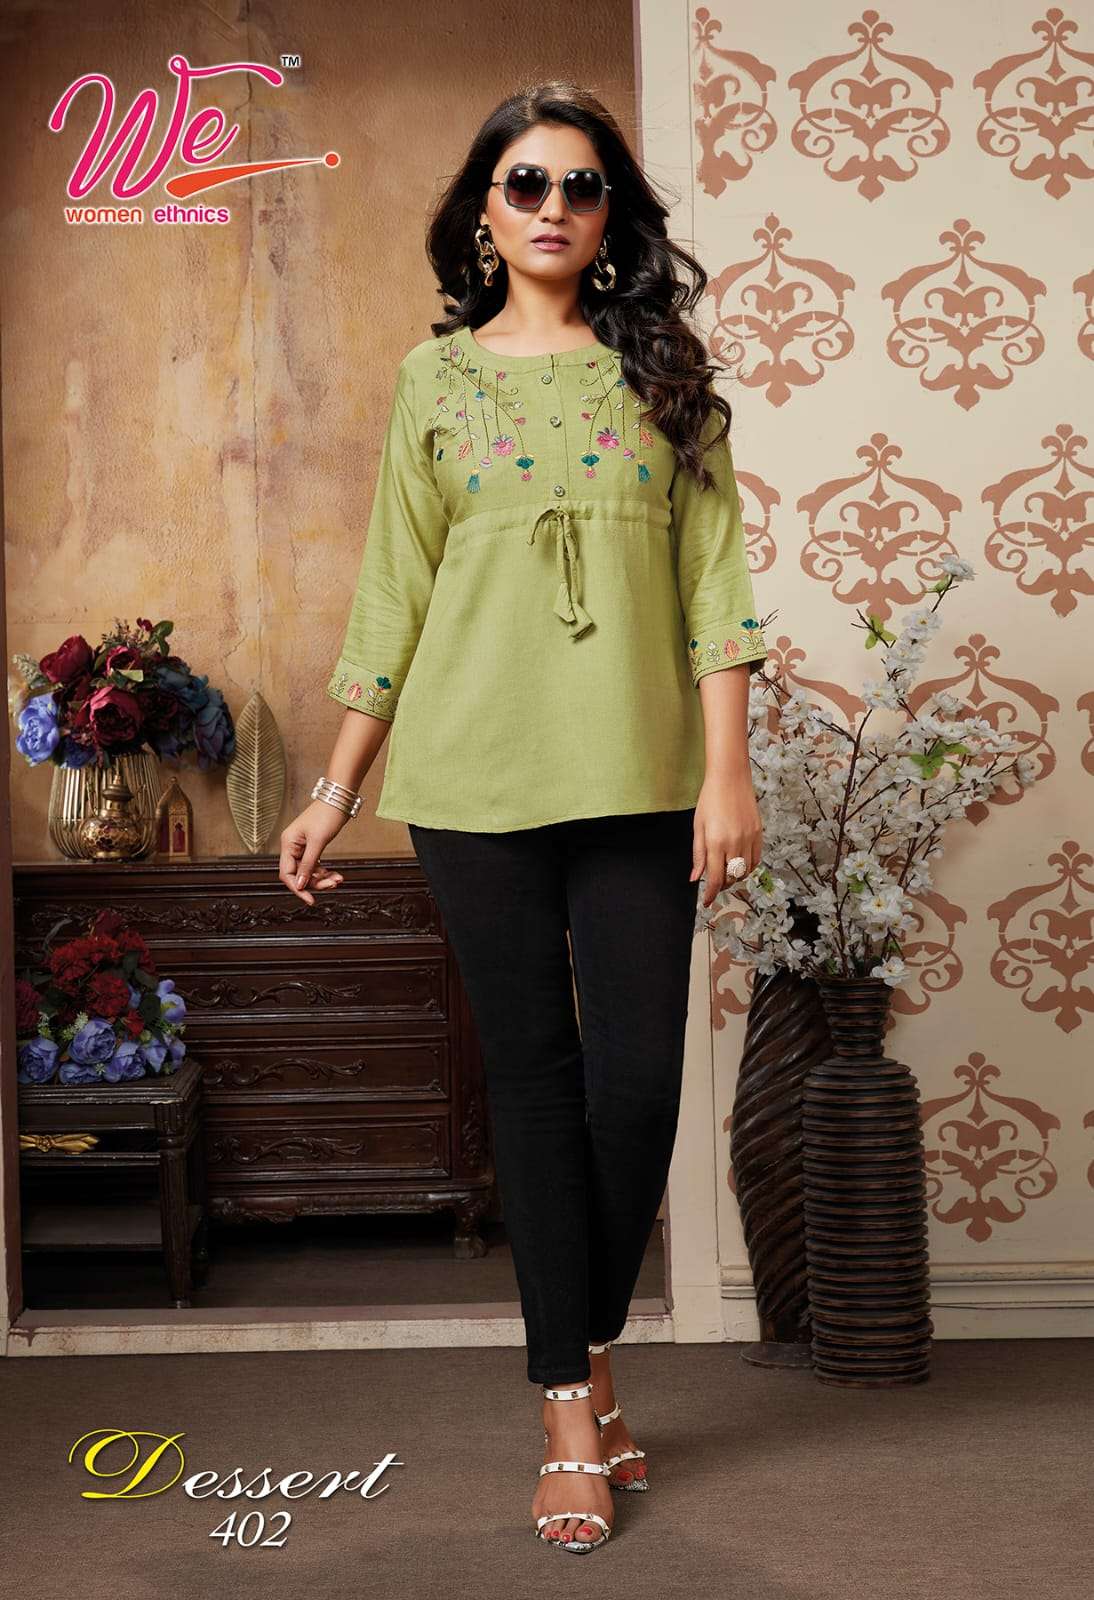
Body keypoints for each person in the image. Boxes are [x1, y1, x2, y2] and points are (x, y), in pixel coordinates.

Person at [278, 80, 771, 1555]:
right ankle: (570, 1403)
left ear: (611, 216)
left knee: (635, 1087)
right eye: (526, 184)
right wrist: (334, 786)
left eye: (581, 186)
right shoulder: (433, 382)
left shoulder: (666, 375)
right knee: (536, 1083)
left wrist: (727, 773)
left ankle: (584, 1352)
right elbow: (396, 583)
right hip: (469, 779)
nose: (554, 207)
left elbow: (715, 589)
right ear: (484, 215)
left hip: (638, 776)